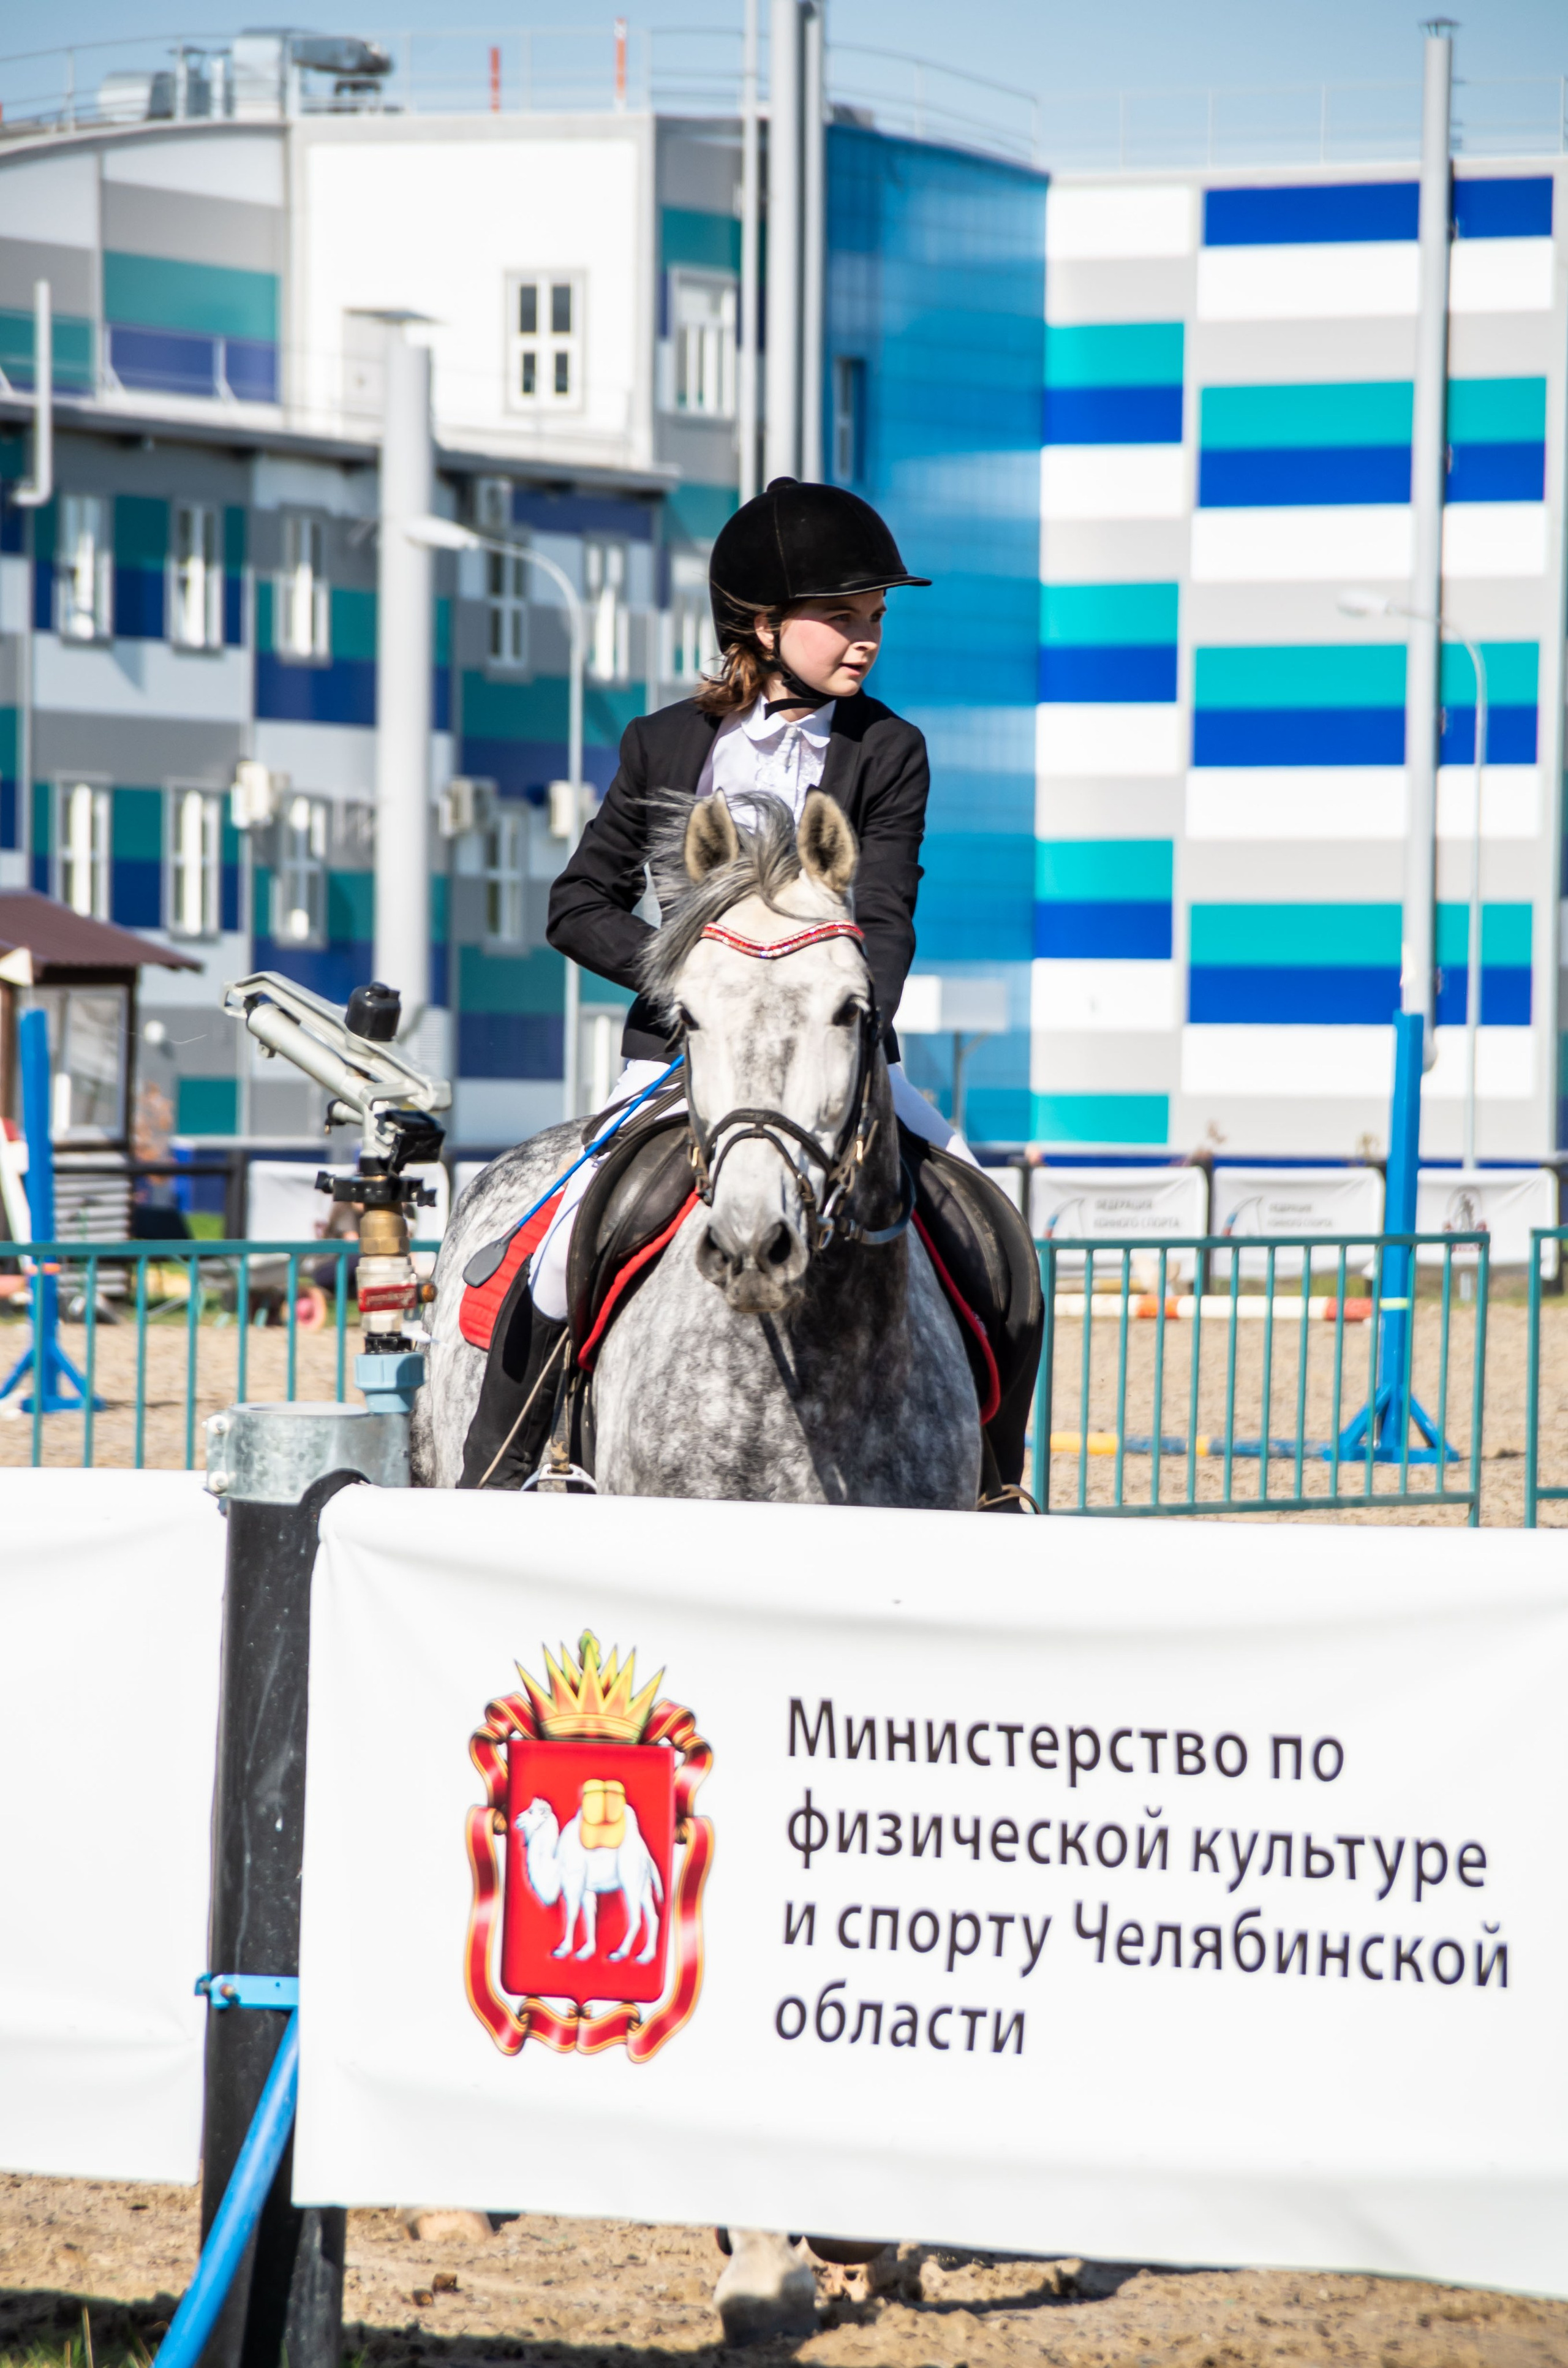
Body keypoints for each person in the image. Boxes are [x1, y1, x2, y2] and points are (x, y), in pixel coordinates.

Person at [459, 475, 977, 1488]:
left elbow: (885, 917)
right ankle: (502, 1466)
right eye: (842, 616)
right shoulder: (663, 743)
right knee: (560, 1249)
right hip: (682, 1059)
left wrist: (835, 1011)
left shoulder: (889, 751)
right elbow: (577, 903)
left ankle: (995, 1478)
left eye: (875, 616)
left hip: (841, 1059)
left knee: (989, 1225)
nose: (866, 639)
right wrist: (701, 984)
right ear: (763, 624)